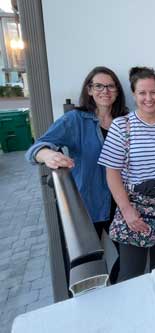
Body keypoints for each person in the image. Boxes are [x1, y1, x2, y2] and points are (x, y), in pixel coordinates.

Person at [25, 66, 127, 282]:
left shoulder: (125, 119)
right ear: (89, 90)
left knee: (128, 259)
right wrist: (46, 155)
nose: (105, 91)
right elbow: (37, 147)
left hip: (122, 202)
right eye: (98, 86)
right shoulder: (75, 120)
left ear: (117, 91)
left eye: (110, 86)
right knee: (86, 267)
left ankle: (118, 291)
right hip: (88, 204)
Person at [98, 66, 155, 283]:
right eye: (142, 93)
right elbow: (112, 173)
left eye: (153, 92)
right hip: (134, 207)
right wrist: (127, 211)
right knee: (132, 272)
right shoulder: (122, 126)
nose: (149, 98)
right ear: (134, 94)